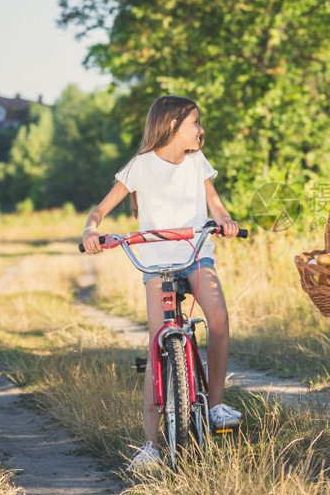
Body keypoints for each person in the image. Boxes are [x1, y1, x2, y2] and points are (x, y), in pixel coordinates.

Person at [81, 95, 242, 469]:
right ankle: (150, 445)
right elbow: (100, 209)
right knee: (157, 343)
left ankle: (215, 404)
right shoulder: (141, 166)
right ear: (171, 126)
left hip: (195, 253)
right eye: (195, 123)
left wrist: (226, 220)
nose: (201, 129)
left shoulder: (197, 161)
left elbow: (215, 204)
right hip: (156, 261)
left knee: (218, 318)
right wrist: (91, 230)